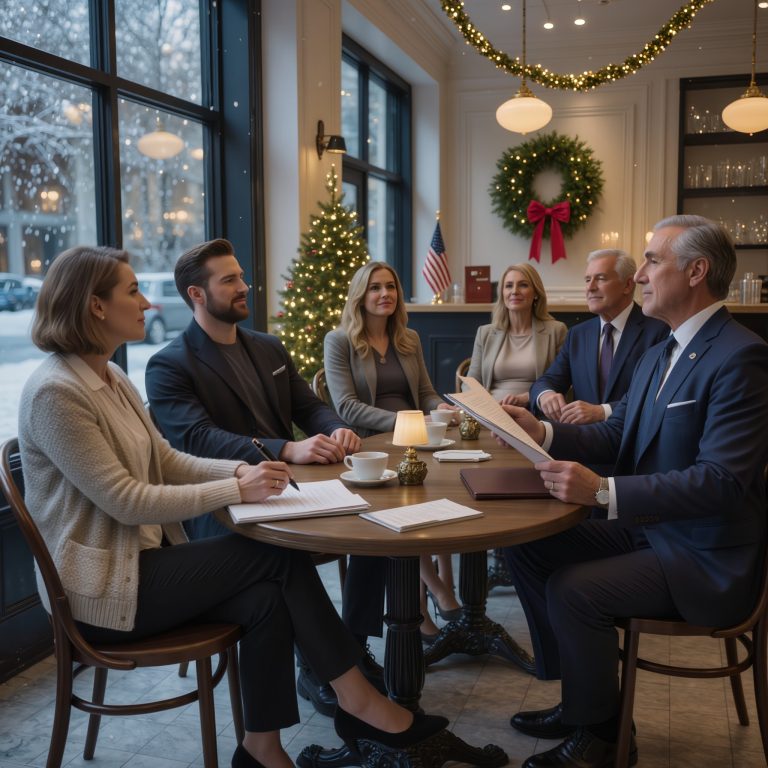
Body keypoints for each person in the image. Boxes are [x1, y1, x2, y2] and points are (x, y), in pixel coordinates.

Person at [18, 245, 450, 768]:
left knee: (266, 598)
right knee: (274, 557)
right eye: (133, 291)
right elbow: (126, 501)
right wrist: (235, 488)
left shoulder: (110, 379)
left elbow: (168, 459)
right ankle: (359, 702)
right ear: (95, 306)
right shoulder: (56, 392)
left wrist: (241, 472)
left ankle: (261, 749)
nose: (148, 303)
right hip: (101, 587)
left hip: (143, 565)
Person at [500, 216, 768, 768]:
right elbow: (621, 433)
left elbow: (720, 481)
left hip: (702, 552)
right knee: (527, 545)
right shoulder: (661, 350)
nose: (640, 273)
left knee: (577, 589)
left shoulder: (741, 356)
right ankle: (580, 698)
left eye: (651, 261)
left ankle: (600, 739)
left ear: (696, 271)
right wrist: (543, 431)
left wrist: (603, 492)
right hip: (653, 531)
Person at [144, 239, 375, 718]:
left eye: (241, 275)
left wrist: (338, 429)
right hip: (220, 509)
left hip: (288, 490)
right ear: (197, 295)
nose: (244, 286)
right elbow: (198, 439)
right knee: (275, 554)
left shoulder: (268, 346)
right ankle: (331, 669)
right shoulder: (168, 364)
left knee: (376, 525)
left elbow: (307, 406)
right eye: (229, 280)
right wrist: (285, 448)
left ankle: (350, 649)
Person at [324, 261, 461, 643]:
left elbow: (426, 394)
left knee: (440, 496)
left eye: (390, 286)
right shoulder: (340, 341)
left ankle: (420, 609)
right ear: (360, 296)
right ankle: (433, 589)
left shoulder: (409, 339)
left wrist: (439, 409)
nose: (385, 294)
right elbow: (347, 407)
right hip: (374, 447)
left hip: (418, 440)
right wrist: (407, 421)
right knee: (403, 505)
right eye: (374, 288)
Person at [530, 248, 668, 425]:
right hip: (583, 442)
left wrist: (602, 412)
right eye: (587, 279)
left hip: (633, 440)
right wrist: (545, 394)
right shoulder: (578, 334)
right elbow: (547, 381)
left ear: (627, 285)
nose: (590, 287)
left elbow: (656, 395)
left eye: (601, 278)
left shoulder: (658, 329)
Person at [466, 263, 567, 406]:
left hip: (536, 412)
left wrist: (526, 398)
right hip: (492, 413)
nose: (514, 291)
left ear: (536, 293)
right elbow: (472, 382)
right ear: (502, 293)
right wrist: (481, 405)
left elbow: (562, 382)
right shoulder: (485, 333)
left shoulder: (556, 330)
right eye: (508, 286)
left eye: (523, 285)